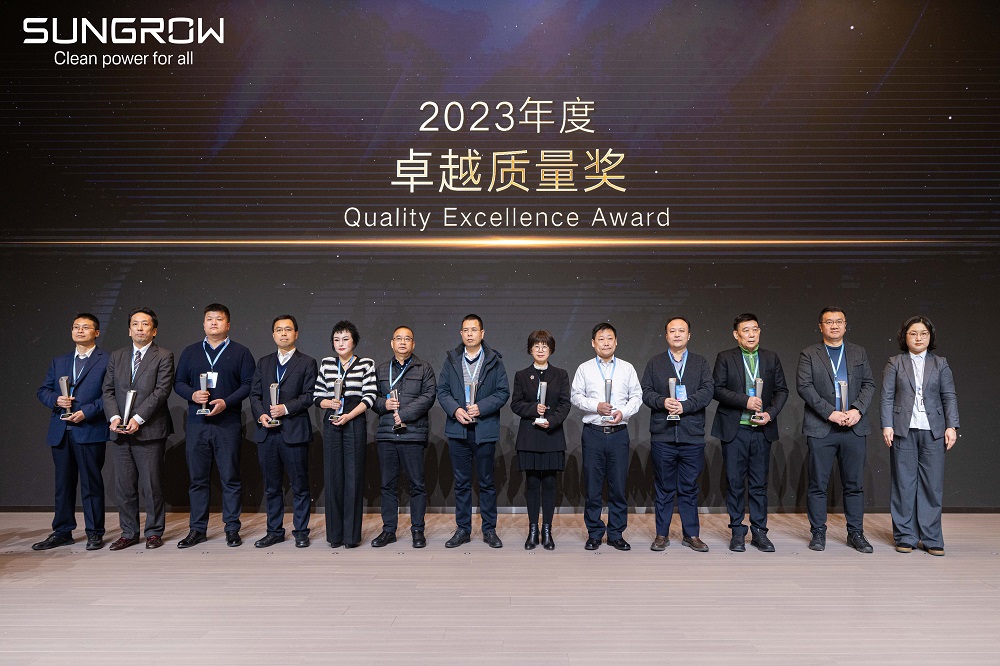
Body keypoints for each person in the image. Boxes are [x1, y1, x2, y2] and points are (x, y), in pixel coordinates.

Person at [173, 303, 255, 548]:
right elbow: (178, 382)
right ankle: (197, 529)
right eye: (209, 318)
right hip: (197, 423)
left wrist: (226, 402)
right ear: (203, 324)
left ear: (228, 325)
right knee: (197, 479)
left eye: (219, 319)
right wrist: (192, 394)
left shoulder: (241, 352)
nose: (214, 323)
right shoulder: (191, 352)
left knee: (230, 478)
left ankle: (232, 528)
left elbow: (249, 384)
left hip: (227, 423)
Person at [796, 307, 876, 553]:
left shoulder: (858, 352)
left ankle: (856, 533)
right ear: (820, 326)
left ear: (845, 325)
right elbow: (804, 387)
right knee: (818, 484)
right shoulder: (809, 353)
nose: (834, 326)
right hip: (822, 427)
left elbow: (869, 384)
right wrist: (829, 412)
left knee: (854, 485)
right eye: (829, 322)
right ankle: (818, 532)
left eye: (839, 321)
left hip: (854, 427)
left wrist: (857, 410)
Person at [881, 316, 959, 556]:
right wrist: (887, 425)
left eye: (923, 333)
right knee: (903, 484)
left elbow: (949, 395)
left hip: (933, 430)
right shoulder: (895, 362)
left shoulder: (940, 363)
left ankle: (932, 537)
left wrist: (952, 426)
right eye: (913, 333)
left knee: (932, 485)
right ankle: (905, 536)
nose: (918, 338)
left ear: (930, 336)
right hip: (903, 429)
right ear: (904, 336)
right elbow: (887, 396)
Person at [712, 313, 788, 553]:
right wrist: (745, 401)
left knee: (759, 484)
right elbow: (717, 389)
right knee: (735, 483)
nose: (751, 334)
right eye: (746, 330)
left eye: (755, 329)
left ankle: (759, 532)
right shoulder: (725, 357)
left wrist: (770, 414)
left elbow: (782, 390)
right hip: (735, 430)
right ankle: (737, 531)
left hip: (762, 430)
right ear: (736, 335)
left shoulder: (771, 357)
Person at [33, 313, 110, 551]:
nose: (80, 330)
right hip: (61, 431)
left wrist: (87, 412)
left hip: (89, 429)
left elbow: (109, 395)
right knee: (63, 485)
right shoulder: (60, 361)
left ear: (96, 333)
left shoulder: (107, 360)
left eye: (85, 327)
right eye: (76, 327)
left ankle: (94, 532)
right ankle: (62, 531)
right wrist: (56, 400)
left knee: (91, 484)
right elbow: (43, 390)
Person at [102, 307, 175, 550]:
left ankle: (153, 532)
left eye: (145, 324)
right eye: (135, 324)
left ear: (154, 330)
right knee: (124, 487)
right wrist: (114, 417)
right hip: (120, 432)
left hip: (149, 431)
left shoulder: (163, 355)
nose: (140, 328)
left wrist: (138, 418)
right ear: (129, 330)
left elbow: (161, 391)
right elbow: (107, 390)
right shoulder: (117, 356)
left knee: (151, 486)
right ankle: (129, 532)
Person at [640, 317, 715, 553]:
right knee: (663, 487)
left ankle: (691, 534)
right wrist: (662, 401)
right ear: (666, 336)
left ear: (689, 335)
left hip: (692, 435)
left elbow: (707, 391)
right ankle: (661, 534)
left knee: (689, 487)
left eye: (681, 331)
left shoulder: (700, 363)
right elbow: (645, 392)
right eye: (672, 331)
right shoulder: (655, 363)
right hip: (663, 436)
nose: (677, 334)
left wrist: (685, 406)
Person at [437, 314, 510, 549]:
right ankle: (463, 530)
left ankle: (489, 530)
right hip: (458, 429)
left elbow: (502, 392)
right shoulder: (452, 360)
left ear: (482, 333)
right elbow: (442, 391)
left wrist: (481, 407)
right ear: (461, 334)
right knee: (461, 483)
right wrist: (455, 410)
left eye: (474, 330)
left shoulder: (494, 360)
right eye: (466, 330)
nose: (470, 334)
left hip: (484, 429)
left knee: (487, 482)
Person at [570, 322, 643, 551]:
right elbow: (575, 396)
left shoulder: (627, 368)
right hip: (593, 434)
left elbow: (637, 396)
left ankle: (616, 534)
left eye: (610, 338)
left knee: (618, 486)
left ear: (616, 342)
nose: (606, 343)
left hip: (619, 433)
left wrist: (624, 412)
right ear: (593, 343)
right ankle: (594, 533)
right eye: (601, 339)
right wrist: (596, 406)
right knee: (592, 487)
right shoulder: (584, 369)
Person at [249, 315, 318, 548]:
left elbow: (310, 395)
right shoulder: (264, 362)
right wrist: (261, 415)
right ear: (273, 335)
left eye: (288, 329)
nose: (283, 333)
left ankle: (301, 531)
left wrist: (285, 408)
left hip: (294, 432)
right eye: (279, 330)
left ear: (296, 334)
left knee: (300, 486)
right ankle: (274, 531)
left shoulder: (307, 362)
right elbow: (255, 395)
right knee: (271, 487)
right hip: (267, 433)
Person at [370, 326, 437, 549]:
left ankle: (418, 530)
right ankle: (389, 530)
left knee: (417, 485)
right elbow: (371, 398)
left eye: (407, 339)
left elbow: (429, 396)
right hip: (387, 435)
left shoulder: (424, 368)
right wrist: (384, 404)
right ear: (392, 343)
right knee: (387, 486)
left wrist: (405, 414)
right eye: (398, 338)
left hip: (412, 434)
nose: (402, 342)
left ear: (413, 344)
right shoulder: (381, 369)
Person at [314, 320, 376, 548]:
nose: (340, 343)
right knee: (333, 478)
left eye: (345, 339)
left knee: (353, 478)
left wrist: (349, 415)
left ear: (354, 341)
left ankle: (350, 537)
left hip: (354, 421)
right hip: (331, 422)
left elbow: (369, 397)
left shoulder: (366, 364)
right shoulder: (326, 363)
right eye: (336, 339)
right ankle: (335, 536)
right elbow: (317, 395)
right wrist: (328, 403)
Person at [509, 330, 571, 551]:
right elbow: (515, 404)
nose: (541, 349)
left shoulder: (560, 374)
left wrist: (551, 421)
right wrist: (534, 409)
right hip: (530, 437)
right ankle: (533, 530)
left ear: (551, 349)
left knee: (550, 484)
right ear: (530, 349)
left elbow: (565, 404)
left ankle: (547, 530)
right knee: (533, 483)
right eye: (536, 346)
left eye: (545, 346)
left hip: (552, 436)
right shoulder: (522, 375)